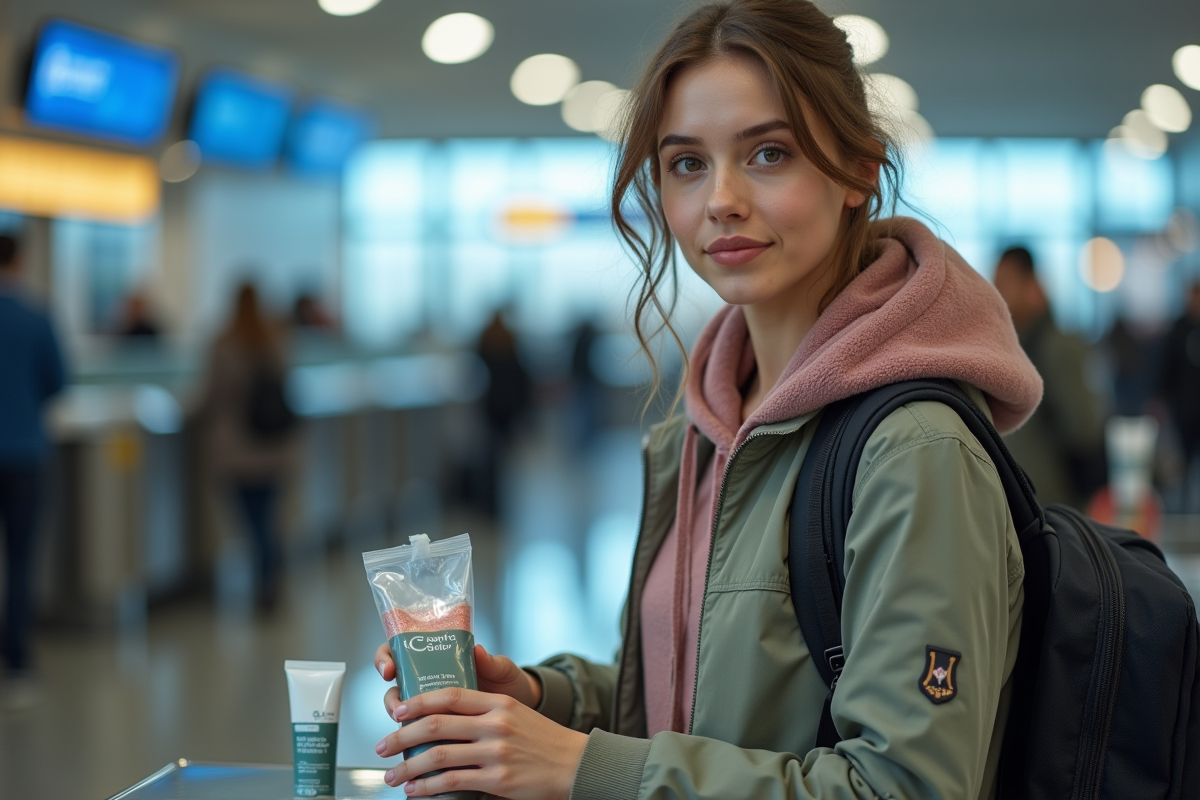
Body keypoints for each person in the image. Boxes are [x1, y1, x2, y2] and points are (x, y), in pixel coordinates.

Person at [371, 2, 1042, 798]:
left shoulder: (913, 449)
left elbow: (903, 786)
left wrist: (582, 769)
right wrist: (545, 700)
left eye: (768, 152)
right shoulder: (704, 428)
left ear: (861, 167)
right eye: (687, 163)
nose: (720, 198)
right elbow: (702, 692)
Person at [194, 282, 297, 611]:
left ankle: (264, 581)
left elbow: (210, 396)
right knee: (268, 519)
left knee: (251, 523)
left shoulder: (223, 345)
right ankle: (269, 580)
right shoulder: (277, 341)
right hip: (274, 447)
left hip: (237, 448)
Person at [0, 233, 66, 706]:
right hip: (23, 452)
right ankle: (17, 663)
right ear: (19, 262)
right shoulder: (36, 317)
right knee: (20, 558)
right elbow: (58, 382)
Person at [992, 246, 1105, 509]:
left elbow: (1084, 429)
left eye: (1006, 283)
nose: (999, 294)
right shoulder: (1014, 347)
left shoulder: (1056, 347)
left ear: (1032, 285)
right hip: (1027, 503)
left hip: (1055, 504)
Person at [1158, 282, 1200, 511]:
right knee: (1182, 464)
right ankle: (1183, 509)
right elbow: (1167, 366)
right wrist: (1160, 398)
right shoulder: (1178, 329)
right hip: (1184, 409)